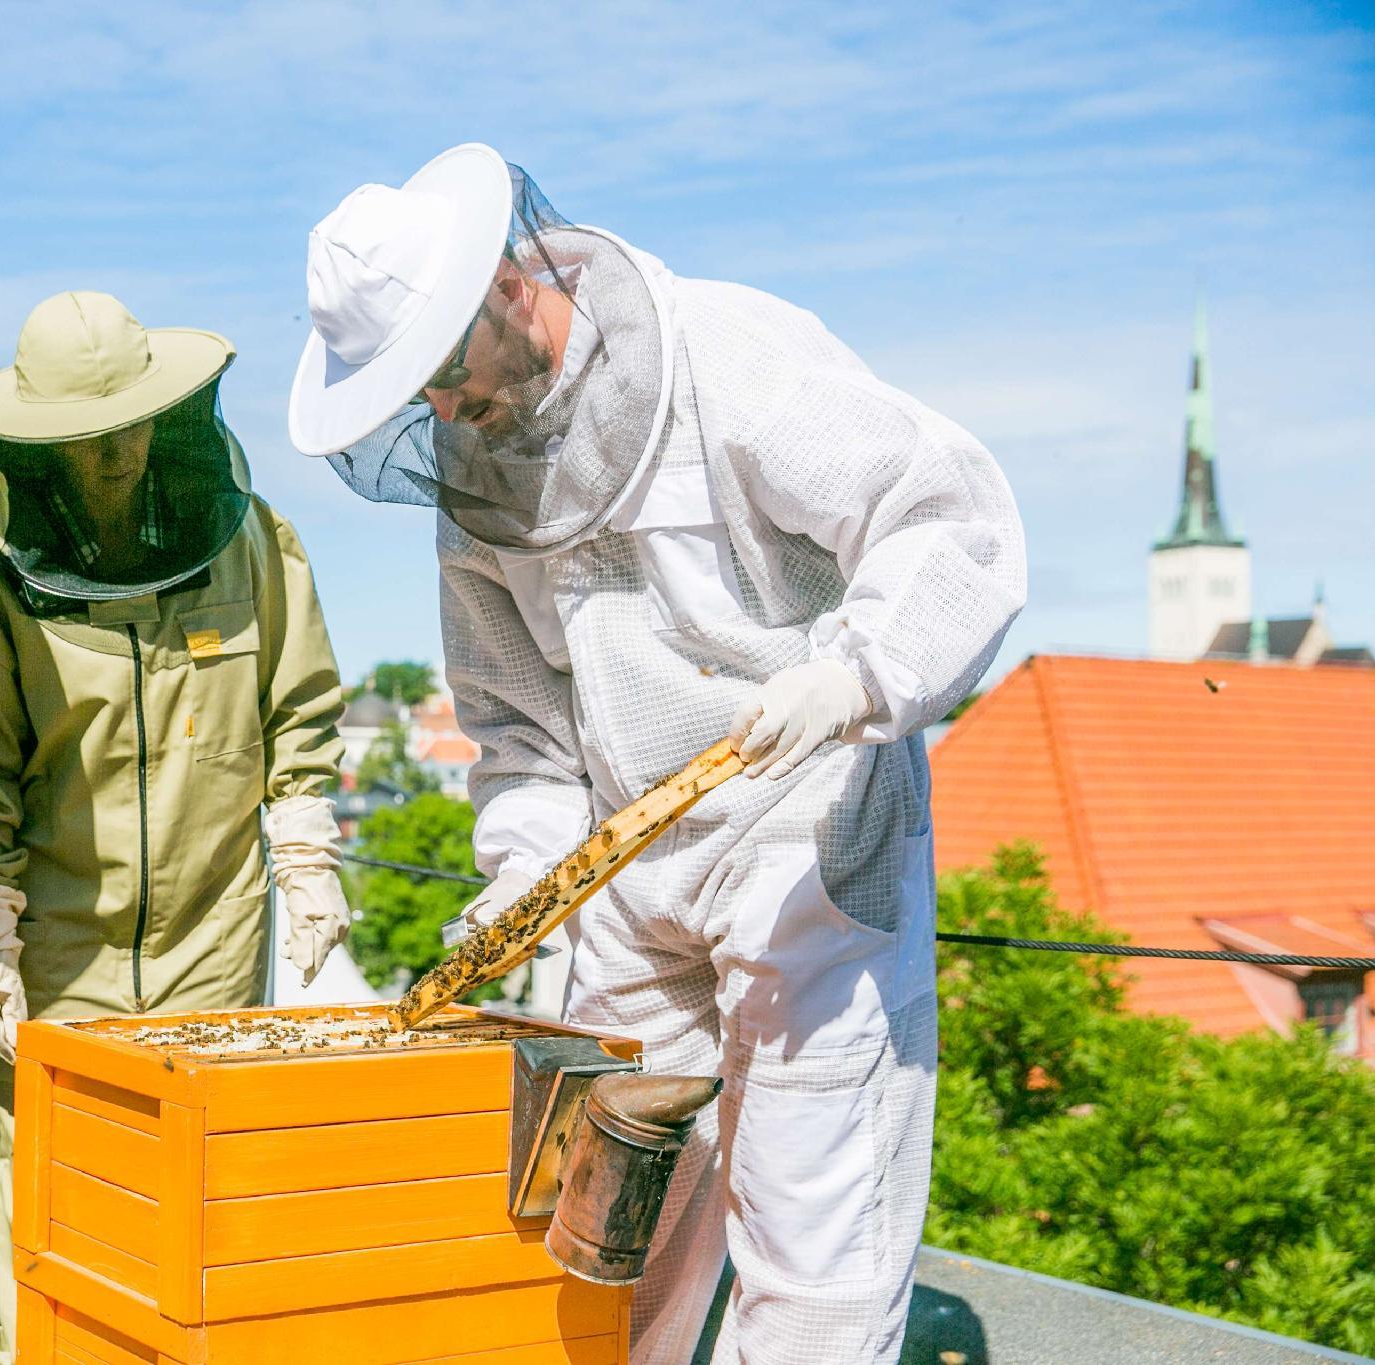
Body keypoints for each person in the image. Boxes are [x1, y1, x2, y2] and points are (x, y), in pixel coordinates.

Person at [288, 144, 1026, 1365]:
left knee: (809, 1239)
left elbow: (943, 512)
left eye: (437, 373)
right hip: (624, 870)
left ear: (508, 292)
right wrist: (525, 880)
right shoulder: (479, 477)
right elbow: (517, 722)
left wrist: (855, 674)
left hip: (809, 841)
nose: (437, 410)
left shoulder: (734, 360)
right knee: (600, 1224)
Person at [0, 290, 348, 1364]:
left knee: (201, 1192)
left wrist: (306, 853)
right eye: (85, 441)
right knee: (55, 1191)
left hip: (215, 934)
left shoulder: (253, 549)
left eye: (131, 428)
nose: (114, 457)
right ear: (32, 445)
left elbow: (297, 709)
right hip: (54, 946)